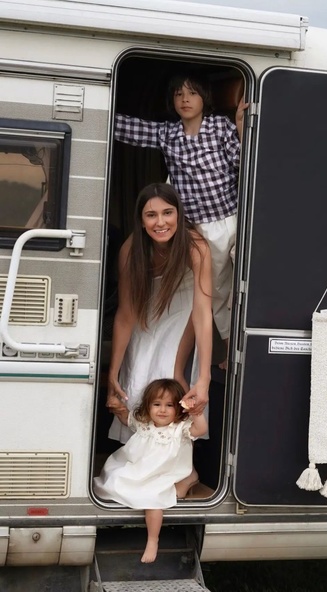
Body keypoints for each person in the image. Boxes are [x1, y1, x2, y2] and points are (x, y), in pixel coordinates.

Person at [114, 73, 247, 368]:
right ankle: (225, 350)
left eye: (192, 93)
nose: (185, 99)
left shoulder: (220, 127)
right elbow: (129, 129)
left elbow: (242, 163)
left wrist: (240, 126)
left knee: (236, 283)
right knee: (212, 289)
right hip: (196, 225)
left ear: (204, 98)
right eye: (178, 94)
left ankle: (237, 346)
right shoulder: (168, 134)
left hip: (229, 218)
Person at [106, 182, 212, 444]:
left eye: (167, 213)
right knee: (137, 369)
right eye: (151, 215)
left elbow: (202, 313)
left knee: (170, 372)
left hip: (184, 305)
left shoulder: (196, 246)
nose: (160, 222)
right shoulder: (131, 250)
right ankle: (137, 448)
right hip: (145, 306)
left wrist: (204, 379)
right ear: (141, 221)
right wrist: (112, 374)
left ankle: (178, 453)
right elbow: (126, 314)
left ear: (179, 214)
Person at [95, 378, 208, 563]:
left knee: (153, 499)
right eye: (157, 404)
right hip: (140, 469)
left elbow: (201, 429)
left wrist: (196, 412)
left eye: (169, 405)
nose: (162, 410)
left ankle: (153, 540)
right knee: (114, 479)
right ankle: (187, 479)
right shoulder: (144, 423)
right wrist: (118, 407)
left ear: (179, 408)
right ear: (148, 406)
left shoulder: (180, 429)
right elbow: (126, 418)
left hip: (164, 474)